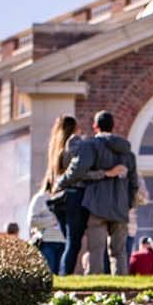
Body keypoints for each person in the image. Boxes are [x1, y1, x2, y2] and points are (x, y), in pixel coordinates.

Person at [64, 110, 138, 275]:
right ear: (114, 126)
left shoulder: (90, 146)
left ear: (95, 126)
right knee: (119, 252)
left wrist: (60, 183)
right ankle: (121, 289)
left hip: (96, 206)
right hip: (120, 208)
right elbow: (134, 183)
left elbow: (78, 172)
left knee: (96, 250)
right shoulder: (128, 153)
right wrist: (128, 204)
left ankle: (95, 290)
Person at [44, 115, 93, 274]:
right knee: (74, 243)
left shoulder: (56, 148)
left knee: (70, 242)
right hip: (73, 197)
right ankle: (65, 276)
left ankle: (65, 275)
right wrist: (102, 173)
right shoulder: (74, 142)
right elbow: (79, 170)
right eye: (78, 127)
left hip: (59, 200)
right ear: (73, 128)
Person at [25, 178, 67, 274]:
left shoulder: (66, 197)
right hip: (47, 242)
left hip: (64, 242)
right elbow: (32, 221)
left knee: (62, 276)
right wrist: (53, 220)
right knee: (48, 274)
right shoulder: (40, 198)